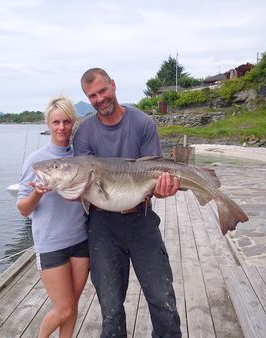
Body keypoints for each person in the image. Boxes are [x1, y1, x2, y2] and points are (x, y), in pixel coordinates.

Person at [73, 68, 182, 338]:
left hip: (141, 220)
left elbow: (155, 179)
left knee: (163, 302)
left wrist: (163, 189)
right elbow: (82, 184)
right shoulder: (84, 132)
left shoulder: (143, 123)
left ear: (113, 85)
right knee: (110, 310)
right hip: (102, 227)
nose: (100, 98)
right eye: (92, 96)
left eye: (103, 90)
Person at [17, 96, 89, 338]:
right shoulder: (36, 161)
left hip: (81, 241)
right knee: (64, 308)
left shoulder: (82, 157)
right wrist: (37, 193)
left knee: (72, 309)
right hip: (51, 245)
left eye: (66, 121)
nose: (61, 128)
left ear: (73, 123)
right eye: (56, 122)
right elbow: (23, 209)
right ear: (48, 123)